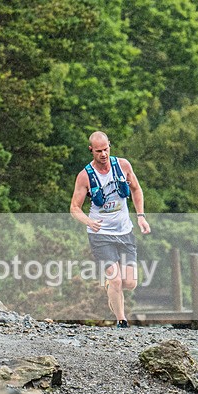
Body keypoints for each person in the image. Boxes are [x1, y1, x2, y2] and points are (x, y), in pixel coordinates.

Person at [70, 131, 150, 327]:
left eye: (106, 149)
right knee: (115, 280)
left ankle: (110, 286)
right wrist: (88, 221)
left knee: (129, 283)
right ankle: (121, 321)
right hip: (100, 234)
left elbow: (136, 189)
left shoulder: (123, 166)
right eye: (99, 151)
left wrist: (141, 216)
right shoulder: (85, 176)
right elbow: (74, 208)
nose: (103, 154)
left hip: (125, 231)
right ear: (91, 150)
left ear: (109, 146)